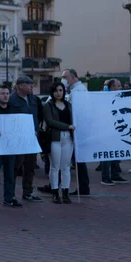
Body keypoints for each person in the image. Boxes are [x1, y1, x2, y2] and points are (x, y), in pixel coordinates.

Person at [9, 76, 43, 202]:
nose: (31, 87)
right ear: (20, 86)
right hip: (18, 140)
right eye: (29, 85)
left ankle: (27, 192)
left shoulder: (34, 99)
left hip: (32, 139)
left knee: (30, 166)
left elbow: (39, 116)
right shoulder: (11, 99)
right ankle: (10, 193)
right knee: (15, 167)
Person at [43, 82, 75, 204]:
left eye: (60, 90)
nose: (58, 93)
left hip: (68, 138)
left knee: (66, 167)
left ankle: (65, 193)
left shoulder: (69, 105)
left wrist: (71, 128)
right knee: (55, 166)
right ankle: (55, 193)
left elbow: (75, 119)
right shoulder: (48, 106)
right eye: (56, 90)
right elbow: (50, 122)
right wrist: (68, 126)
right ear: (52, 92)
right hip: (54, 138)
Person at [61, 68, 90, 197]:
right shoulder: (75, 90)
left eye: (65, 77)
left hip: (77, 129)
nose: (63, 80)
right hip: (76, 128)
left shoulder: (78, 91)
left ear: (73, 78)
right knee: (77, 159)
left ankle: (83, 187)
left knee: (78, 159)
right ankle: (83, 186)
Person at [102, 79, 130, 186]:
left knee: (115, 153)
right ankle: (105, 177)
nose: (121, 87)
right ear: (112, 87)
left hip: (117, 130)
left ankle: (114, 175)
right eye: (119, 85)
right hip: (107, 130)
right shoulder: (104, 99)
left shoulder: (119, 98)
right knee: (106, 154)